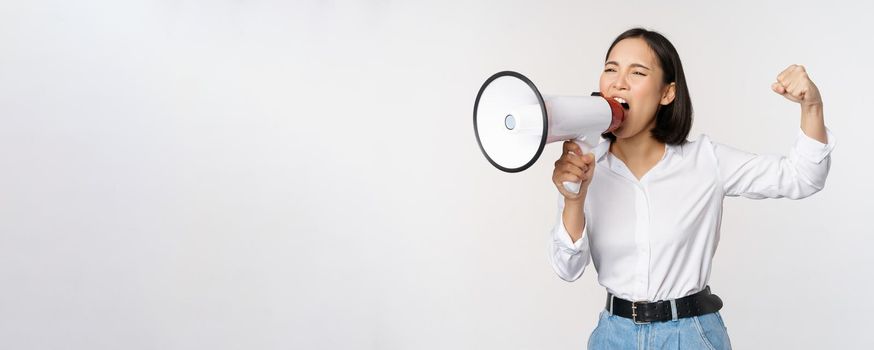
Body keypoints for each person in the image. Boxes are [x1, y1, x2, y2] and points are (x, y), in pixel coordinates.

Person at [548, 28, 834, 350]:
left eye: (637, 72)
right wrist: (574, 199)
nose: (619, 82)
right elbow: (568, 269)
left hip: (690, 336)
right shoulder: (588, 167)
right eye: (611, 69)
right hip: (613, 337)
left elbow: (804, 176)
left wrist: (812, 107)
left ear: (667, 93)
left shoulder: (705, 160)